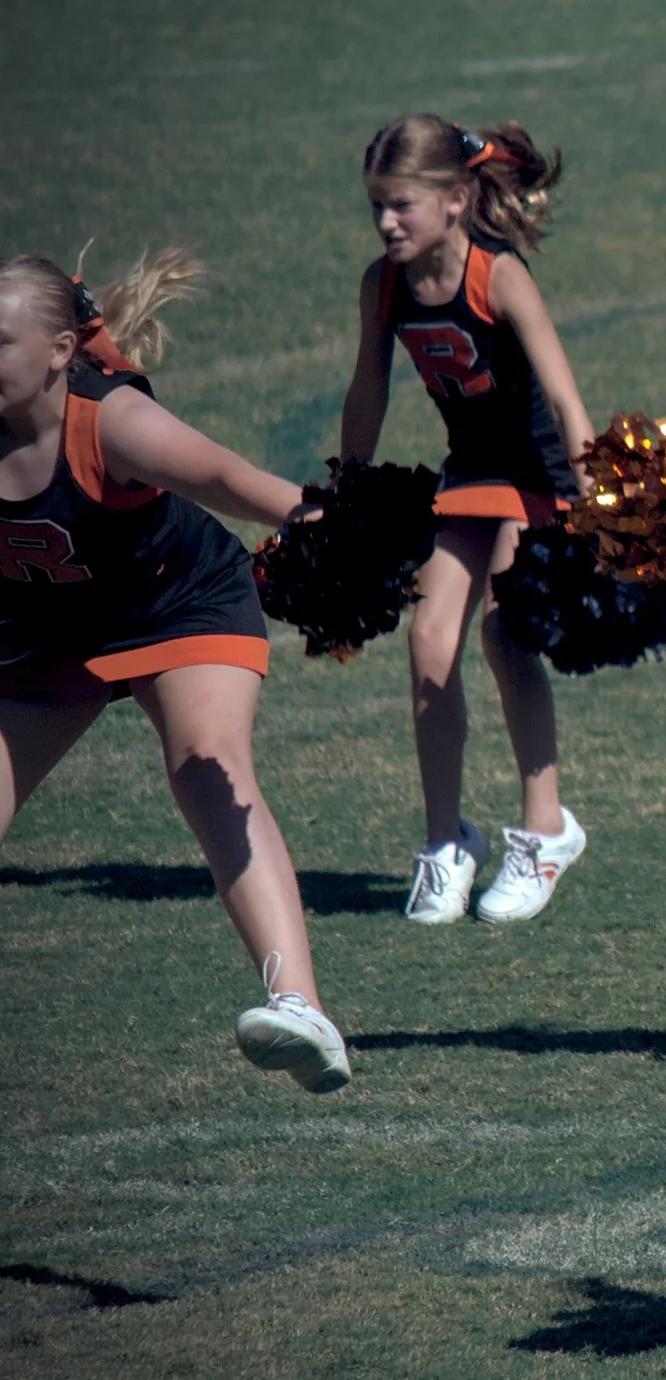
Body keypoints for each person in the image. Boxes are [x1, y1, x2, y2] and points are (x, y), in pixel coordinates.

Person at [0, 252, 349, 1090]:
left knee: (205, 768)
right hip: (52, 628)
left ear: (57, 351)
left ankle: (301, 1006)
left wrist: (334, 526)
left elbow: (228, 477)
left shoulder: (109, 421)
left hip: (178, 603)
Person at [341, 114, 596, 925]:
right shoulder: (383, 285)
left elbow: (562, 395)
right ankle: (447, 841)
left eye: (402, 205)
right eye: (378, 204)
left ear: (455, 199)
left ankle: (546, 829)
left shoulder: (498, 275)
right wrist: (347, 492)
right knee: (427, 638)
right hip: (472, 472)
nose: (386, 222)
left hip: (541, 473)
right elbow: (367, 390)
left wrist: (600, 499)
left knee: (504, 631)